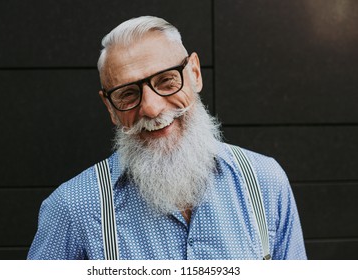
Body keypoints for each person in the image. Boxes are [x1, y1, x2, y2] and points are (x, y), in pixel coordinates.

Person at [28, 16, 307, 260]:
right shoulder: (72, 207)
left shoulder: (265, 182)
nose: (151, 107)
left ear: (195, 74)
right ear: (110, 108)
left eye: (166, 80)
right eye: (128, 93)